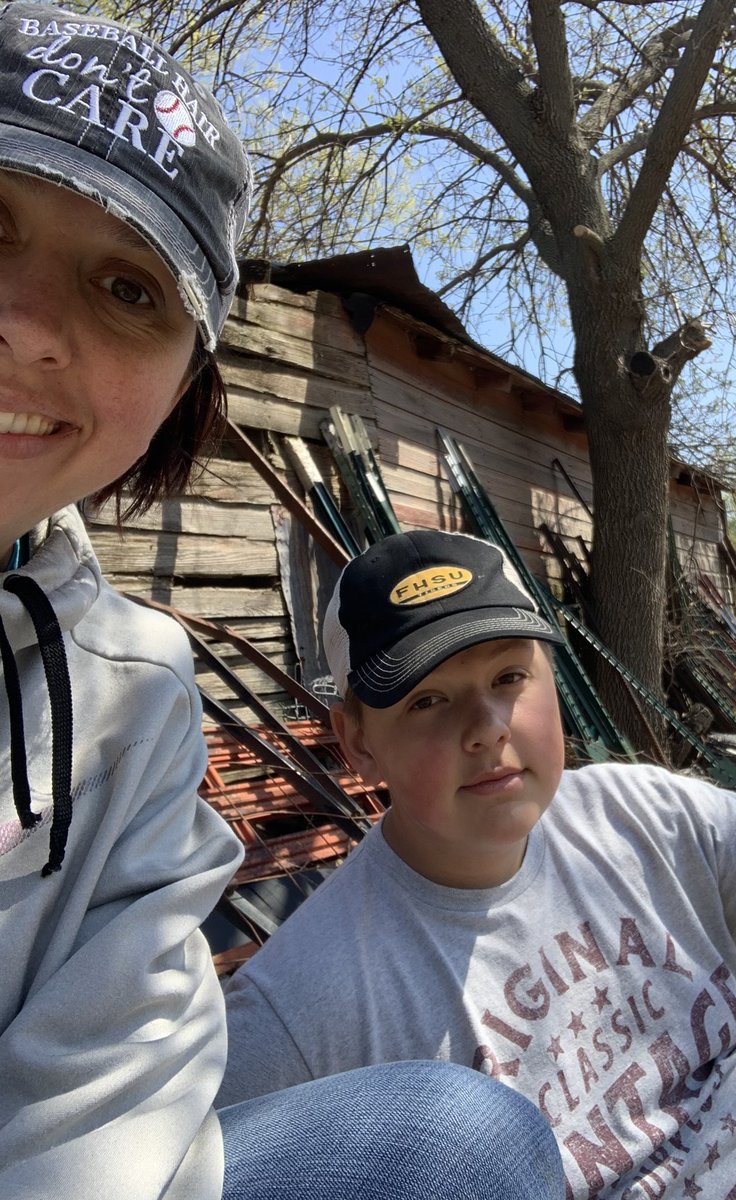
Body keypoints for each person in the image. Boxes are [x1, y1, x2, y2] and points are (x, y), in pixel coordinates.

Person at [0, 8, 565, 1200]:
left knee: (464, 1141)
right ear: (350, 739)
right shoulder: (308, 997)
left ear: (183, 389)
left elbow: (94, 1120)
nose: (30, 324)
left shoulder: (129, 689)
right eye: (426, 697)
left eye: (125, 287)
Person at [221, 528, 736, 1199]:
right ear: (356, 742)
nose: (487, 725)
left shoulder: (646, 819)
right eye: (427, 699)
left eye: (509, 676)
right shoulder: (299, 1012)